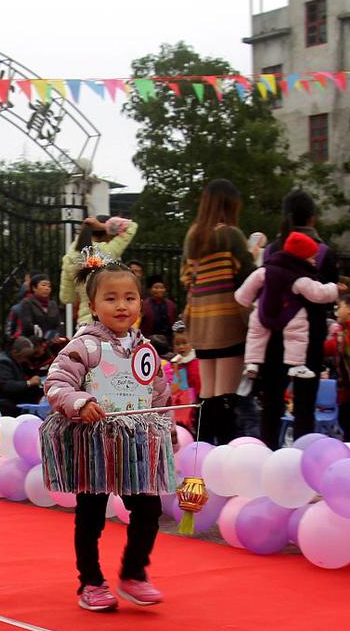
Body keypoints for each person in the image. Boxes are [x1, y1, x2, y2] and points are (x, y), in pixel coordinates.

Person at [40, 252, 175, 612]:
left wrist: (167, 432)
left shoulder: (145, 348)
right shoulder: (83, 346)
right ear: (93, 305)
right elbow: (56, 382)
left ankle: (133, 573)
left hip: (136, 445)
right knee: (91, 515)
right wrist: (79, 401)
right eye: (111, 298)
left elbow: (160, 393)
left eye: (130, 298)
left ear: (140, 304)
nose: (122, 306)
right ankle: (91, 581)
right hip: (94, 445)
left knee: (148, 509)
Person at [256, 190, 340, 446]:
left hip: (272, 335)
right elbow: (329, 295)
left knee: (271, 403)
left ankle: (266, 460)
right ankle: (301, 464)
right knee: (304, 405)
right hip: (308, 339)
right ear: (312, 219)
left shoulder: (270, 250)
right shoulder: (324, 252)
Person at [180, 179, 255, 444]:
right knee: (227, 395)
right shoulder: (232, 235)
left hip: (200, 323)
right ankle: (224, 452)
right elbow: (247, 276)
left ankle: (202, 450)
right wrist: (254, 254)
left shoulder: (193, 235)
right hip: (226, 322)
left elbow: (185, 277)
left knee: (208, 392)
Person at [235, 231, 341, 381]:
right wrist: (334, 288)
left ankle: (252, 363)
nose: (314, 261)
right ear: (301, 258)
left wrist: (242, 299)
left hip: (263, 311)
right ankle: (296, 365)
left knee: (256, 335)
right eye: (311, 257)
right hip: (289, 315)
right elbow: (318, 293)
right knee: (298, 334)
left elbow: (249, 285)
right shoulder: (299, 277)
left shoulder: (265, 270)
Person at [60, 216, 138, 328]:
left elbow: (67, 298)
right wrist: (102, 226)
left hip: (84, 324)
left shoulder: (69, 258)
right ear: (107, 233)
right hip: (108, 320)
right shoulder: (106, 251)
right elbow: (131, 226)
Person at [0, 336, 44, 416]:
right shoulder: (2, 362)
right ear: (15, 352)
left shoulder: (14, 360)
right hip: (4, 403)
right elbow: (7, 385)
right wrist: (29, 382)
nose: (25, 360)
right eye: (24, 356)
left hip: (12, 400)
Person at [324, 294, 350, 438]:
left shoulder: (343, 336)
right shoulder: (341, 334)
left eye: (339, 307)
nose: (336, 311)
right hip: (345, 395)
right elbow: (326, 348)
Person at [168, 322, 200, 432]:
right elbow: (175, 385)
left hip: (197, 400)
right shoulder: (174, 363)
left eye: (184, 343)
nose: (181, 347)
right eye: (177, 344)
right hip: (181, 402)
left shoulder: (197, 361)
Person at [19, 274, 63, 340]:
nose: (47, 288)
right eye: (43, 285)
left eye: (49, 286)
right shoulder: (27, 303)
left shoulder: (53, 304)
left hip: (52, 342)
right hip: (33, 342)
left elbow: (59, 324)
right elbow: (26, 324)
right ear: (34, 288)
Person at [139, 276, 178, 344]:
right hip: (149, 339)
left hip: (168, 340)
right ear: (150, 289)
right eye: (156, 288)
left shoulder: (171, 305)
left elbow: (175, 322)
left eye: (161, 288)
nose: (159, 290)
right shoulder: (144, 305)